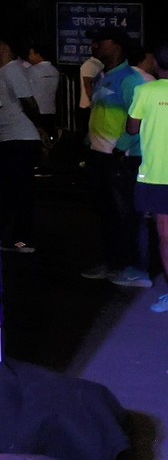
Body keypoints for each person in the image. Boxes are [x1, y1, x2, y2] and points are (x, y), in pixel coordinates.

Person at [84, 28, 149, 288]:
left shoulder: (131, 79)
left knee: (125, 214)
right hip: (101, 154)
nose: (95, 45)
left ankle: (133, 267)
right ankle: (113, 262)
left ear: (117, 46)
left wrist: (120, 149)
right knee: (107, 212)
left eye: (101, 41)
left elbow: (141, 119)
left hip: (121, 157)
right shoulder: (103, 76)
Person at [0, 34, 47, 256]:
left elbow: (28, 101)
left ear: (4, 45)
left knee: (20, 192)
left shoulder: (13, 69)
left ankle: (22, 241)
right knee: (9, 191)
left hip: (20, 138)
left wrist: (41, 128)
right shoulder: (1, 71)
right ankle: (10, 239)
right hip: (8, 138)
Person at [128, 52, 168, 313]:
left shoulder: (146, 91)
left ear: (156, 64)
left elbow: (132, 128)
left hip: (158, 175)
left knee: (165, 236)